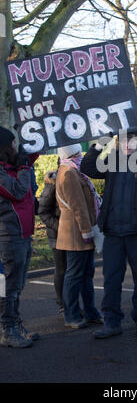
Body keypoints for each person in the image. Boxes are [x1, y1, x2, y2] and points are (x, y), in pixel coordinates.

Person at [80, 119, 137, 339]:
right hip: (114, 231)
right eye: (123, 139)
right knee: (111, 278)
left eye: (132, 138)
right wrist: (102, 142)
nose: (127, 143)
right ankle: (111, 321)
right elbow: (86, 167)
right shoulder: (112, 161)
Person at [55, 143, 102, 329]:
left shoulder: (71, 170)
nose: (81, 154)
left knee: (84, 274)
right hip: (76, 232)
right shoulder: (69, 172)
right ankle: (72, 315)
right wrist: (87, 230)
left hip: (78, 230)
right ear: (73, 153)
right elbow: (78, 205)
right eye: (78, 151)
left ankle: (89, 312)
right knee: (75, 275)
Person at [0, 126, 39, 348]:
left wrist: (29, 135)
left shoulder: (11, 167)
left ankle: (15, 323)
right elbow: (16, 191)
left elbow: (32, 155)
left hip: (22, 236)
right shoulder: (4, 172)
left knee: (18, 285)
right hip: (8, 237)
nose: (16, 147)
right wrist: (24, 166)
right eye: (13, 144)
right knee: (9, 286)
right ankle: (8, 329)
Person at [38, 161, 65, 315]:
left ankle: (73, 304)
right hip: (58, 236)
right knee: (62, 270)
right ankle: (62, 304)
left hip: (73, 235)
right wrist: (61, 227)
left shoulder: (75, 178)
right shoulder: (53, 184)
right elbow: (43, 212)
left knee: (73, 272)